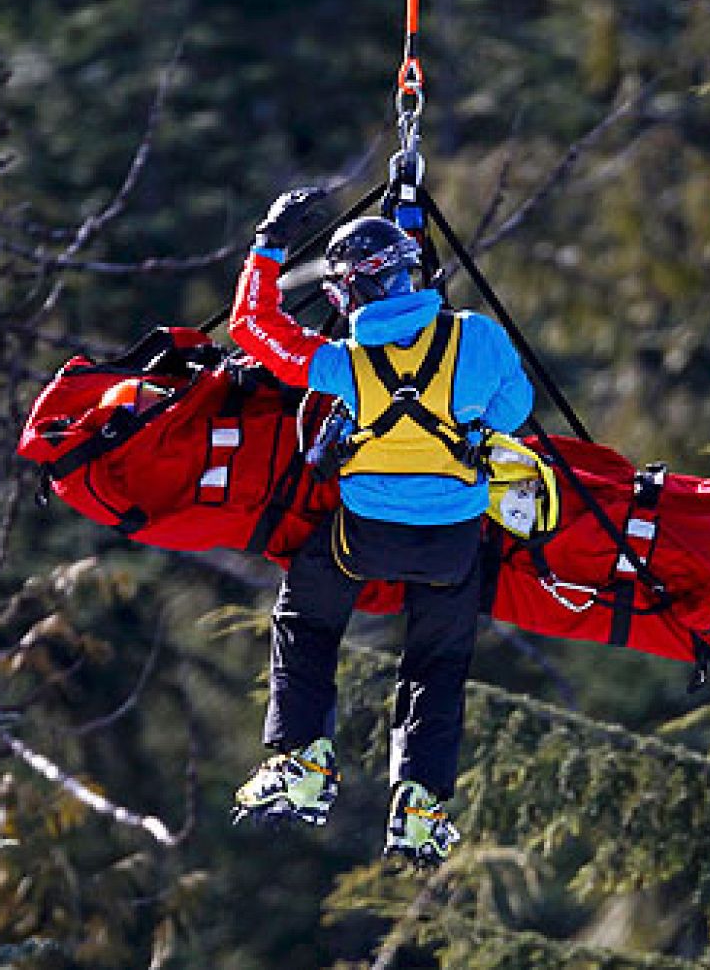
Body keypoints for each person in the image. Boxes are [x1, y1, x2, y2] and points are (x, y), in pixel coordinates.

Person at [227, 188, 532, 865]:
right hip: (455, 541)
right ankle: (418, 807)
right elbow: (514, 409)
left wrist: (269, 241)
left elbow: (252, 328)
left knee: (305, 621)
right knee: (438, 663)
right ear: (410, 269)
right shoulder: (475, 337)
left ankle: (303, 761)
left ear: (343, 295)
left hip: (361, 535)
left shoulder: (342, 364)